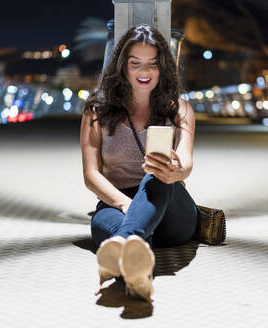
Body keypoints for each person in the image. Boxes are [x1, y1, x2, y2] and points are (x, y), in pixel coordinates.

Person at [80, 24, 198, 302]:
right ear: (123, 66)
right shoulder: (96, 109)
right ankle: (135, 268)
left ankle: (125, 239)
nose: (144, 73)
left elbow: (187, 163)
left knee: (157, 170)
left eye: (152, 64)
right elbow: (90, 174)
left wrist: (175, 168)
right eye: (135, 64)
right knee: (103, 226)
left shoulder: (179, 109)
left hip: (170, 207)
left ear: (163, 67)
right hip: (116, 202)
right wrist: (126, 205)